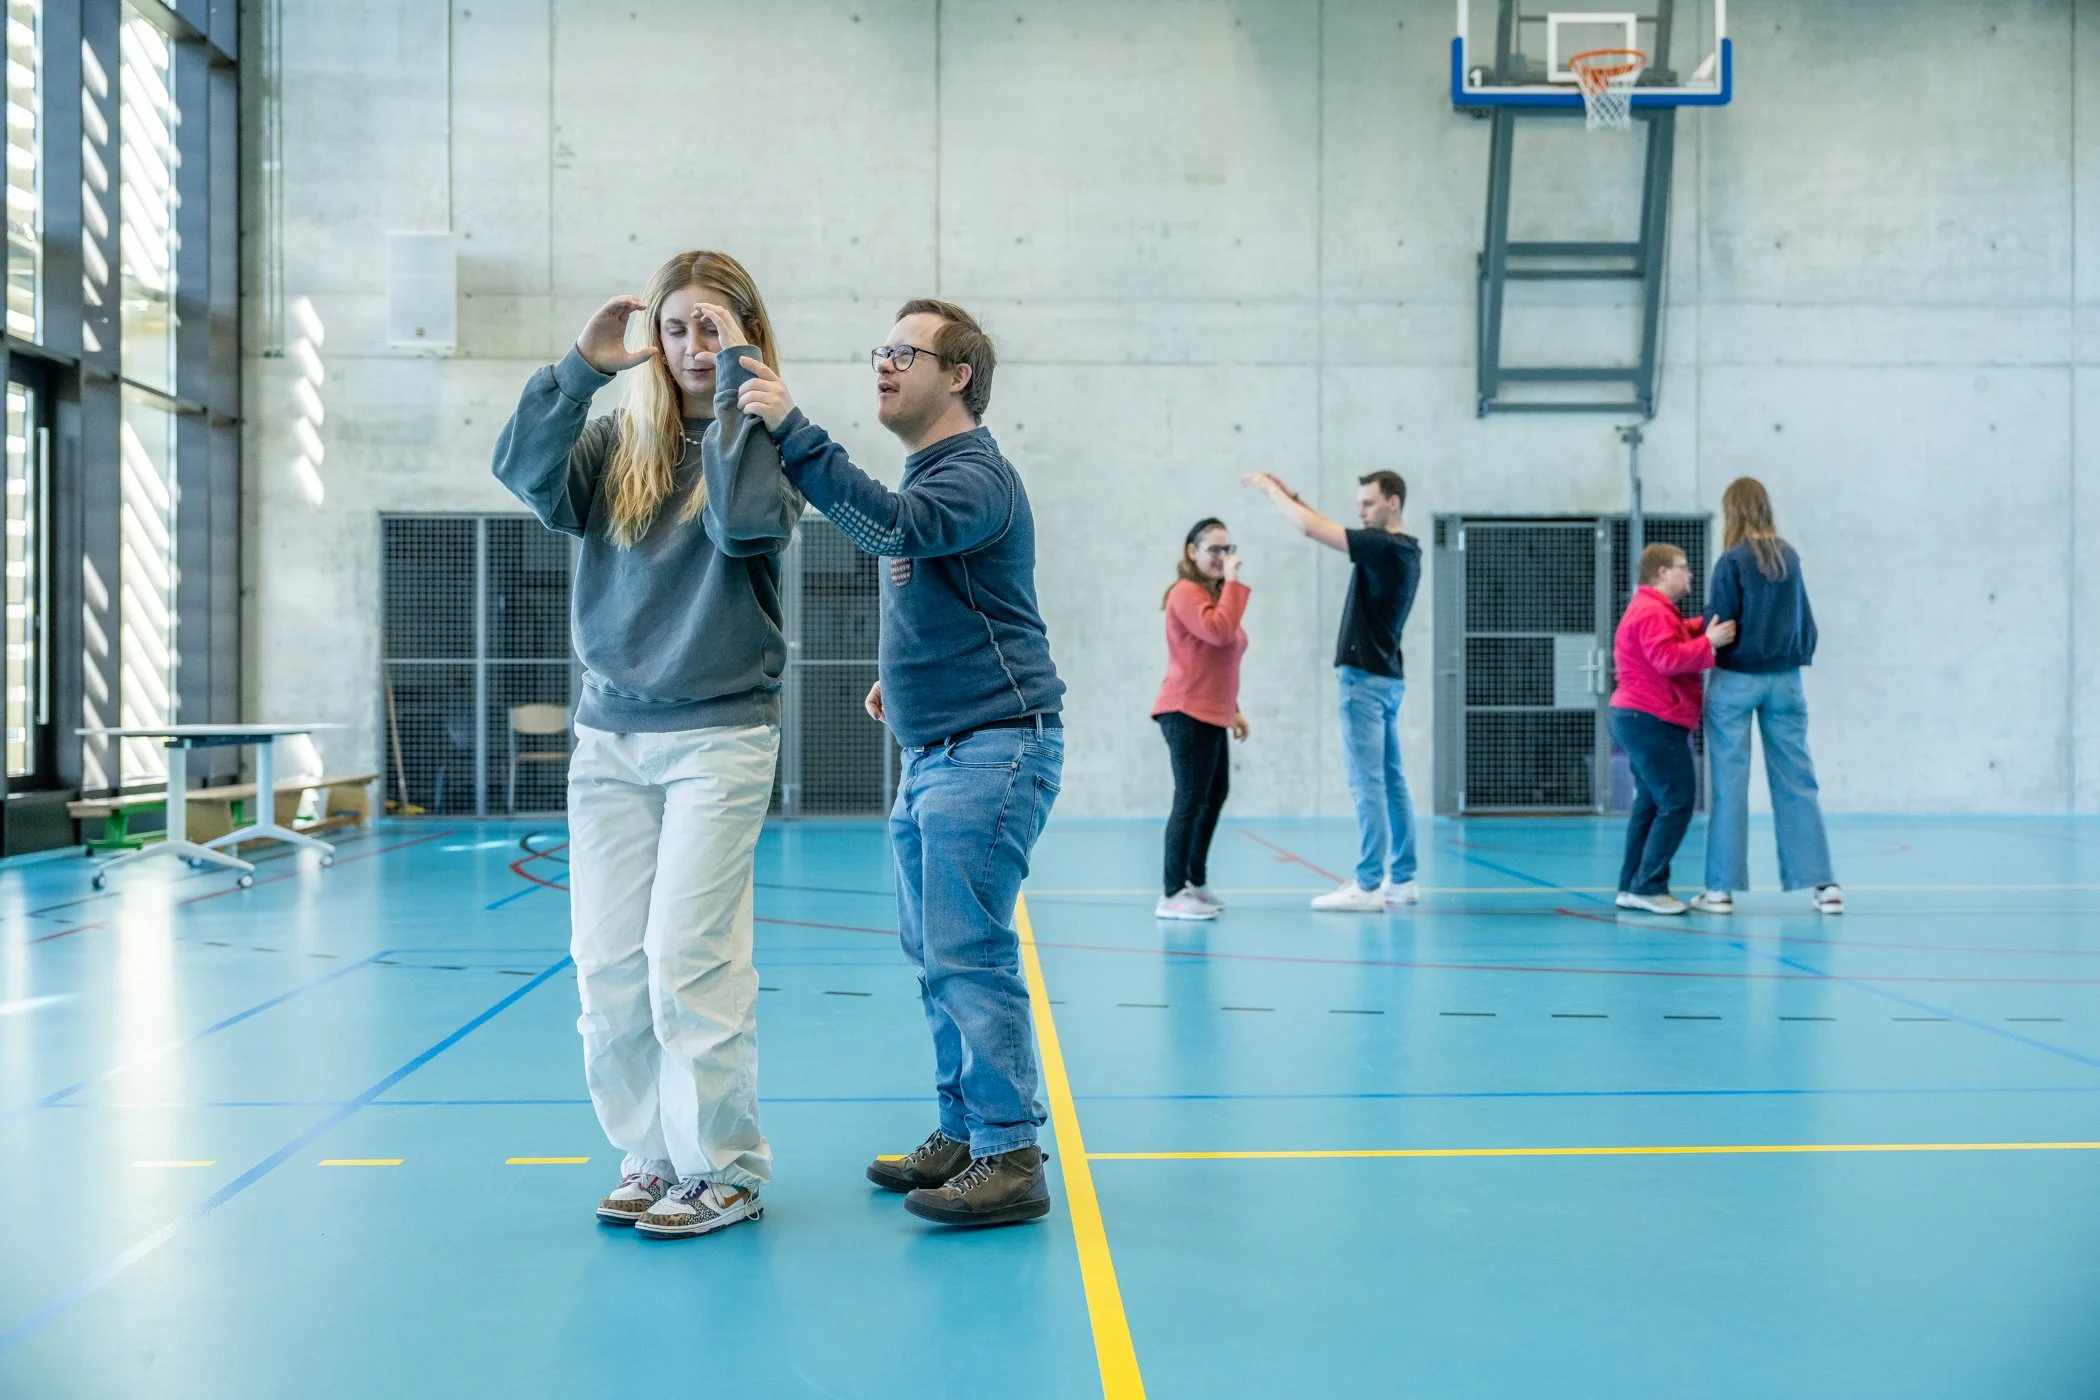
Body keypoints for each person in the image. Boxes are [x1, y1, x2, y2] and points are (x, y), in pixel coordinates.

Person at [732, 299, 1066, 1227]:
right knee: (934, 954)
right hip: (938, 747)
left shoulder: (973, 474)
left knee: (968, 951)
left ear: (958, 374)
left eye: (903, 353)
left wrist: (793, 431)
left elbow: (890, 528)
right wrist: (904, 682)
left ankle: (1010, 1154)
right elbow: (953, 594)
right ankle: (965, 1130)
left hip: (994, 748)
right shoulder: (938, 473)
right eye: (879, 350)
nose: (882, 365)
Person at [491, 250, 800, 1240]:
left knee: (686, 959)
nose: (692, 346)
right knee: (606, 966)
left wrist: (744, 403)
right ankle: (651, 1152)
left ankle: (726, 1166)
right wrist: (581, 368)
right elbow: (522, 470)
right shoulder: (617, 441)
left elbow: (752, 526)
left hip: (719, 736)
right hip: (611, 740)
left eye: (713, 327)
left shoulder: (769, 441)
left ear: (744, 335)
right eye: (676, 328)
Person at [1244, 469, 1423, 912]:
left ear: (1393, 503)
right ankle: (1402, 878)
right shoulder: (1403, 549)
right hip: (1386, 678)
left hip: (1362, 681)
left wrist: (1271, 492)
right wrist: (1296, 494)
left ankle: (1367, 885)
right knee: (1392, 781)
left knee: (1368, 784)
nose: (1361, 511)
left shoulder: (1382, 545)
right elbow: (1335, 529)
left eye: (1369, 503)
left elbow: (1311, 528)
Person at [1690, 479, 1843, 915]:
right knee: (1798, 781)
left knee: (1730, 786)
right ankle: (1824, 886)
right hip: (1787, 681)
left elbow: (1718, 624)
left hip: (1736, 680)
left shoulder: (1731, 561)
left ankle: (1719, 891)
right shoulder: (1788, 556)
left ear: (1732, 511)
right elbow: (1805, 621)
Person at [1609, 543, 1738, 915]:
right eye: (1684, 568)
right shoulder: (1651, 610)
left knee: (1649, 803)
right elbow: (1667, 658)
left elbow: (1677, 634)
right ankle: (1648, 886)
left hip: (1638, 718)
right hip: (1650, 720)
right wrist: (1709, 643)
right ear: (1662, 572)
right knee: (1677, 799)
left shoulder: (1655, 609)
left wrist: (1704, 627)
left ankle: (1631, 885)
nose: (1690, 575)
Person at [1151, 518, 1251, 921]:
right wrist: (1232, 583)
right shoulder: (1185, 592)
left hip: (1212, 711)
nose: (1223, 557)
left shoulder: (1211, 594)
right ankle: (1171, 892)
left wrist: (1235, 709)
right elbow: (1220, 633)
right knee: (1191, 800)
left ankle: (1195, 881)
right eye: (1214, 549)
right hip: (1185, 710)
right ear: (1192, 551)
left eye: (1228, 549)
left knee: (1214, 796)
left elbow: (1217, 660)